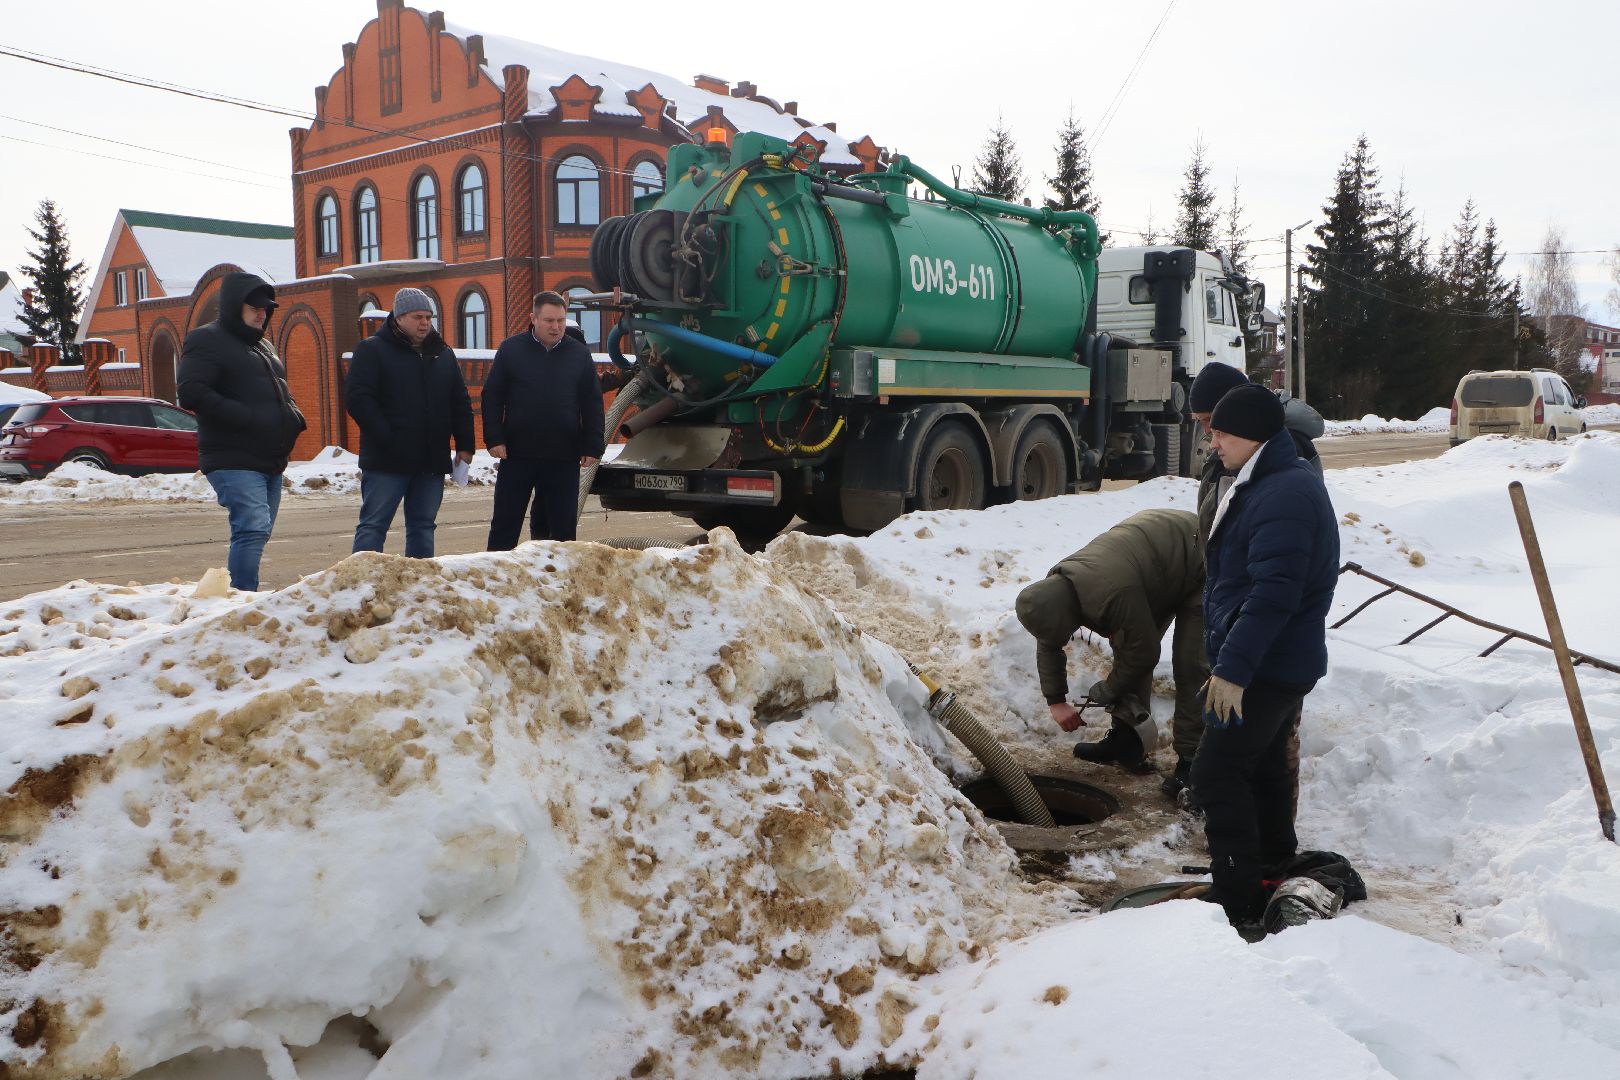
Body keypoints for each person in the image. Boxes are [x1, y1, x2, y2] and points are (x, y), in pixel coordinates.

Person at [1194, 383, 1339, 935]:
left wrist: (1232, 670)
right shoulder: (1267, 481)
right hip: (1273, 659)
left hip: (1266, 665)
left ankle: (1237, 901)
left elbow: (1274, 593)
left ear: (1253, 436)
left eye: (1222, 432)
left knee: (1217, 772)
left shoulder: (1285, 493)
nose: (1214, 442)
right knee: (1262, 766)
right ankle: (1271, 865)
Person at [1014, 508, 1208, 773]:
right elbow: (1048, 638)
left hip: (1197, 556)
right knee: (1128, 647)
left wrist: (1109, 689)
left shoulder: (1112, 594)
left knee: (1190, 662)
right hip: (1152, 564)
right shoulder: (1053, 592)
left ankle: (1192, 762)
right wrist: (1056, 700)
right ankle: (1128, 741)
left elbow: (1144, 654)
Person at [177, 272, 306, 591]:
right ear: (235, 305)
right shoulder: (207, 339)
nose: (262, 313)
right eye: (255, 307)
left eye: (266, 308)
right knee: (251, 528)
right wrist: (245, 416)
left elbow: (278, 392)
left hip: (269, 459)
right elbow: (192, 392)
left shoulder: (263, 345)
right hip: (232, 456)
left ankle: (240, 594)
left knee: (259, 531)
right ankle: (241, 599)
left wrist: (294, 416)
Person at [345, 288, 475, 558]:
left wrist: (465, 445)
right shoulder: (372, 350)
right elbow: (359, 401)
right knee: (373, 526)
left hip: (430, 459)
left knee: (423, 526)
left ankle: (419, 587)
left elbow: (459, 401)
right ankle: (363, 586)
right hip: (387, 460)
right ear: (399, 317)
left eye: (429, 316)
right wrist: (389, 438)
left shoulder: (442, 354)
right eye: (418, 316)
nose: (425, 322)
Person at [482, 291, 606, 547]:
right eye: (549, 321)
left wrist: (592, 445)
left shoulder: (578, 354)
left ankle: (558, 581)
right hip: (517, 454)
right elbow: (493, 396)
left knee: (562, 531)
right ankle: (497, 580)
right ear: (533, 319)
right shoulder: (511, 349)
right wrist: (494, 438)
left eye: (561, 320)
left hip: (563, 456)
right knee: (505, 524)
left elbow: (592, 402)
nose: (556, 327)